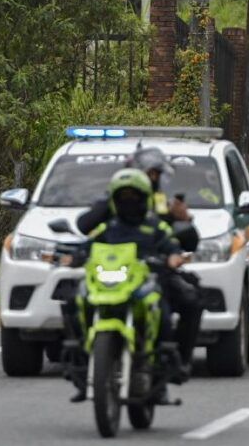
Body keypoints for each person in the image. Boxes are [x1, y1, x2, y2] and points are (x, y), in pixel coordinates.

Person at [74, 147, 203, 373]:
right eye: (151, 173)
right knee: (73, 297)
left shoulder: (161, 202)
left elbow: (177, 237)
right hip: (115, 267)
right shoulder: (112, 202)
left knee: (192, 297)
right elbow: (86, 228)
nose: (130, 200)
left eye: (156, 175)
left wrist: (182, 220)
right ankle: (82, 356)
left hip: (153, 268)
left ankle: (177, 359)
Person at [68, 169, 187, 402]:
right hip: (109, 283)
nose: (129, 202)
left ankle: (159, 375)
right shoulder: (108, 227)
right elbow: (86, 245)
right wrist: (73, 257)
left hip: (142, 284)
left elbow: (172, 244)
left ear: (145, 198)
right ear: (115, 200)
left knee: (163, 313)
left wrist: (173, 256)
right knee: (75, 300)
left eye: (134, 196)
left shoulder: (155, 226)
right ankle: (82, 367)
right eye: (124, 197)